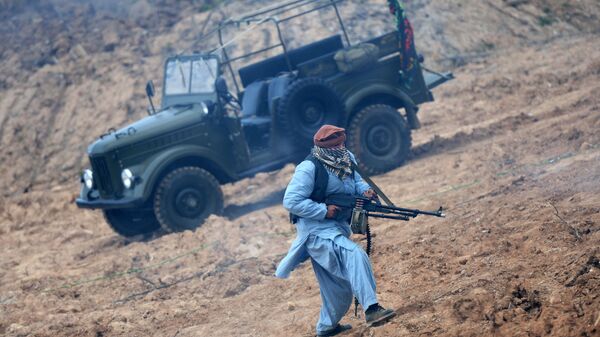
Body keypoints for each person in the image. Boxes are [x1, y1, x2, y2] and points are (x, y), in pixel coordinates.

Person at [276, 125, 396, 336]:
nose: (340, 148)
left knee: (337, 289)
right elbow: (291, 200)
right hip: (315, 231)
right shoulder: (308, 168)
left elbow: (357, 181)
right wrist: (323, 211)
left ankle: (326, 327)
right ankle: (372, 309)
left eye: (342, 143)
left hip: (337, 226)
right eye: (335, 145)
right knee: (355, 254)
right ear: (324, 147)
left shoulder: (346, 157)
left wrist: (366, 192)